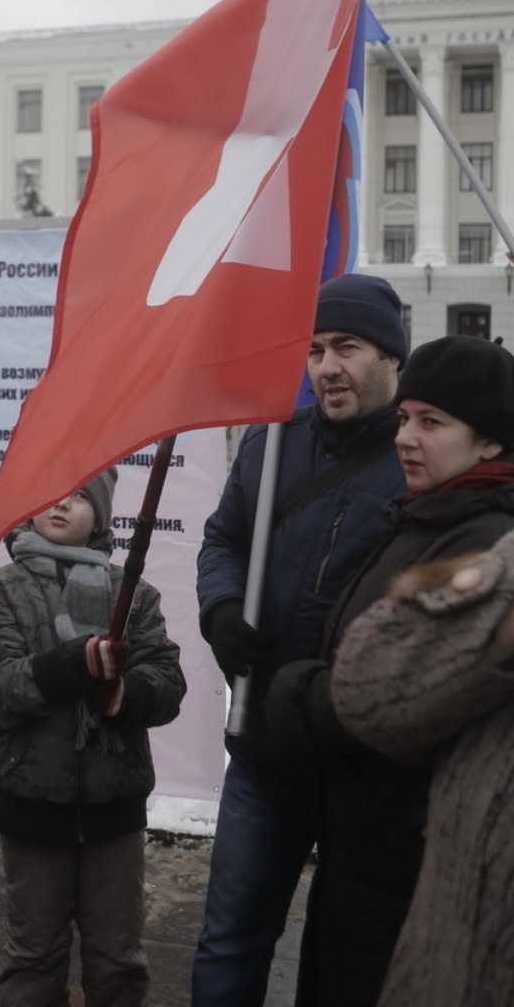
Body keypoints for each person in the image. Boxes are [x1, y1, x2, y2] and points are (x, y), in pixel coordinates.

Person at [264, 333, 514, 1006]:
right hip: (363, 849)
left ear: (489, 441)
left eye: (432, 422)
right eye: (405, 417)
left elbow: (387, 696)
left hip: (404, 863)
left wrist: (296, 692)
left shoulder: (485, 545)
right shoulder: (428, 515)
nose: (406, 437)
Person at [192, 273, 409, 1007]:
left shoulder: (418, 457)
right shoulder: (272, 440)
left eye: (347, 346)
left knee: (347, 959)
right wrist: (221, 609)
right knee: (230, 940)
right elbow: (223, 538)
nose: (327, 367)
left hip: (364, 762)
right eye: (315, 349)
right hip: (265, 748)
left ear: (393, 357)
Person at [0, 470, 186, 1007]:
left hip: (115, 811)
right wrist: (71, 665)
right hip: (33, 807)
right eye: (53, 490)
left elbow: (168, 683)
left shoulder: (132, 596)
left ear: (101, 518)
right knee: (34, 958)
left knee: (118, 963)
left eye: (81, 496)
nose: (62, 503)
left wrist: (126, 695)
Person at [333, 531, 514, 1007]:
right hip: (450, 949)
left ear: (491, 448)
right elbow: (362, 685)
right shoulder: (489, 555)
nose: (403, 448)